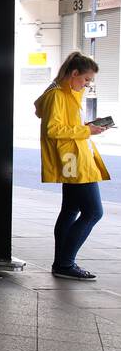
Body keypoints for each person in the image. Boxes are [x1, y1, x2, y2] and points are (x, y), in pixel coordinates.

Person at [34, 51, 110, 280]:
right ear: (74, 73)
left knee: (70, 210)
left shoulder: (64, 92)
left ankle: (61, 263)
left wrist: (88, 126)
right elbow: (53, 130)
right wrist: (87, 130)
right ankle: (65, 264)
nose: (87, 85)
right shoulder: (58, 94)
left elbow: (57, 121)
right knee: (94, 212)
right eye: (86, 79)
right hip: (74, 161)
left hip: (72, 159)